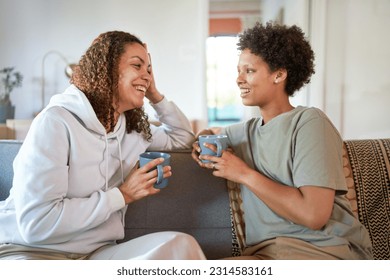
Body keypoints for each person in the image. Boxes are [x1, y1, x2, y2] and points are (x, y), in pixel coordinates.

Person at [0, 31, 205, 260]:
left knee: (181, 247)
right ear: (107, 69)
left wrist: (154, 94)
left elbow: (183, 137)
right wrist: (123, 195)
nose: (146, 76)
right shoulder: (55, 122)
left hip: (95, 253)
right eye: (137, 65)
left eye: (148, 69)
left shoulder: (131, 129)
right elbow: (36, 225)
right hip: (29, 252)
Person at [192, 22, 373, 260]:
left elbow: (313, 215)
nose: (238, 79)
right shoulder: (247, 131)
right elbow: (209, 132)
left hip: (324, 251)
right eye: (238, 71)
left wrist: (243, 173)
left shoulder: (310, 122)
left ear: (279, 74)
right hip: (268, 254)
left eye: (249, 71)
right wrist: (202, 143)